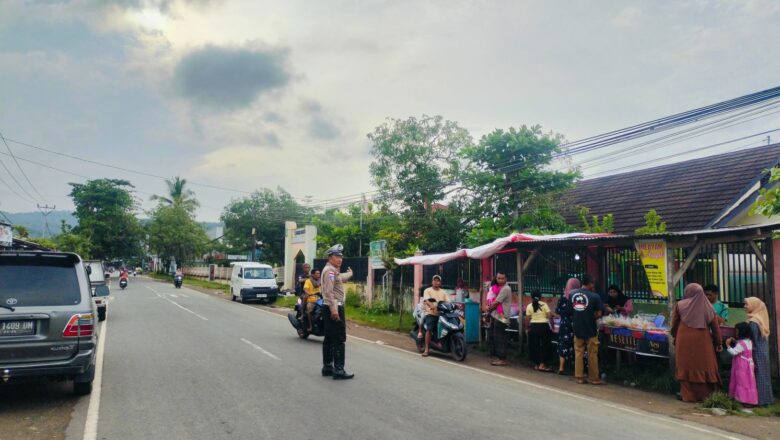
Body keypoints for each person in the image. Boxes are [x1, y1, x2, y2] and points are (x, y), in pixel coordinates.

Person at [671, 283, 722, 402]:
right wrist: (719, 343)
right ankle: (705, 396)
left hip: (683, 339)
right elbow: (715, 327)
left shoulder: (680, 305)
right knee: (704, 364)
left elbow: (674, 323)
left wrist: (674, 335)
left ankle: (687, 395)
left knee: (685, 364)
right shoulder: (709, 307)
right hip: (703, 341)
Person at [321, 244, 354, 380]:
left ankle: (328, 367)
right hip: (334, 306)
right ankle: (339, 370)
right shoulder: (330, 271)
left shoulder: (332, 270)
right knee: (339, 339)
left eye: (341, 257)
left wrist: (350, 274)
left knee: (329, 338)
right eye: (337, 256)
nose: (340, 259)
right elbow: (328, 292)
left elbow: (340, 278)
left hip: (329, 306)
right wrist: (334, 309)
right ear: (330, 257)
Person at [571, 274, 605, 385]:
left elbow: (570, 311)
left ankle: (579, 377)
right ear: (590, 283)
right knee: (592, 353)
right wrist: (591, 315)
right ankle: (594, 378)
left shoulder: (572, 294)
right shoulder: (595, 296)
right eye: (593, 283)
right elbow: (599, 313)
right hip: (590, 328)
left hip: (577, 327)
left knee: (579, 352)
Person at [744, 297, 774, 406]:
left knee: (757, 375)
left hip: (756, 351)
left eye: (746, 304)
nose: (744, 307)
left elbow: (752, 339)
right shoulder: (761, 318)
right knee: (764, 375)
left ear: (754, 306)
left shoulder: (753, 321)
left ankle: (758, 400)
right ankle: (766, 400)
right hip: (763, 351)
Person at [725, 322, 758, 406]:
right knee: (748, 383)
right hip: (749, 365)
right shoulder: (749, 341)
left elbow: (734, 352)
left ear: (741, 332)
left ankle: (741, 399)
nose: (736, 333)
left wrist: (728, 345)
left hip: (741, 366)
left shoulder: (741, 343)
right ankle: (749, 400)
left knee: (741, 382)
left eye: (737, 331)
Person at [485, 272, 512, 366]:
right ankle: (496, 356)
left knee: (500, 337)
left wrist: (488, 309)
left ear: (506, 279)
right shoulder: (498, 288)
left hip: (502, 317)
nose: (500, 280)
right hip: (496, 315)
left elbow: (496, 303)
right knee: (494, 337)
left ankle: (502, 358)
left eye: (502, 278)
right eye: (499, 278)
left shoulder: (505, 289)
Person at [420, 275, 449, 357]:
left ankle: (441, 342)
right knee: (429, 329)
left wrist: (452, 306)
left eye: (438, 280)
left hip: (441, 314)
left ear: (440, 282)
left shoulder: (443, 292)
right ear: (432, 281)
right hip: (431, 313)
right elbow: (426, 300)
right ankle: (426, 349)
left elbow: (448, 301)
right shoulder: (427, 290)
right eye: (435, 280)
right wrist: (432, 306)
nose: (436, 282)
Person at [556, 277, 580, 375]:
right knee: (577, 345)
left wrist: (564, 314)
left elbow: (557, 310)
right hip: (575, 324)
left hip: (564, 324)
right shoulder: (578, 297)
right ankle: (576, 369)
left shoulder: (563, 297)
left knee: (563, 344)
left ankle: (561, 367)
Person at [526, 289, 553, 372]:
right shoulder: (544, 305)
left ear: (531, 297)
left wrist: (527, 328)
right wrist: (552, 326)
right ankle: (542, 364)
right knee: (545, 345)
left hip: (533, 327)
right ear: (541, 296)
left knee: (534, 346)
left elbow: (527, 319)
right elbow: (549, 316)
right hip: (544, 327)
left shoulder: (529, 306)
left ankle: (536, 364)